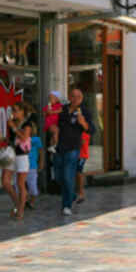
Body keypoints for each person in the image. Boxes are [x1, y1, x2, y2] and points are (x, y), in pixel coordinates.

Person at [53, 87, 93, 215]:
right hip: (58, 147)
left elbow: (91, 129)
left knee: (68, 176)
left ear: (81, 99)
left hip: (73, 148)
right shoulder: (62, 109)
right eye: (73, 96)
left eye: (78, 97)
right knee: (59, 178)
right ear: (69, 97)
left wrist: (83, 123)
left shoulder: (84, 112)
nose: (75, 99)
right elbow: (53, 122)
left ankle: (67, 206)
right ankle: (72, 195)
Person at [1, 101, 34, 220]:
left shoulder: (27, 124)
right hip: (10, 153)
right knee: (5, 181)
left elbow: (24, 137)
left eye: (15, 110)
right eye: (12, 110)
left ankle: (20, 210)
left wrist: (13, 128)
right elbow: (11, 139)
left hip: (22, 155)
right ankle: (18, 203)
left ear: (22, 111)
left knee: (20, 184)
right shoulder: (12, 123)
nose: (13, 113)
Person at [26, 114, 43, 209]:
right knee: (22, 185)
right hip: (23, 165)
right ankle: (25, 200)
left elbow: (41, 151)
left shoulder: (36, 139)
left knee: (32, 185)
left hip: (32, 165)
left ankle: (32, 201)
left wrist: (41, 162)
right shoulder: (23, 138)